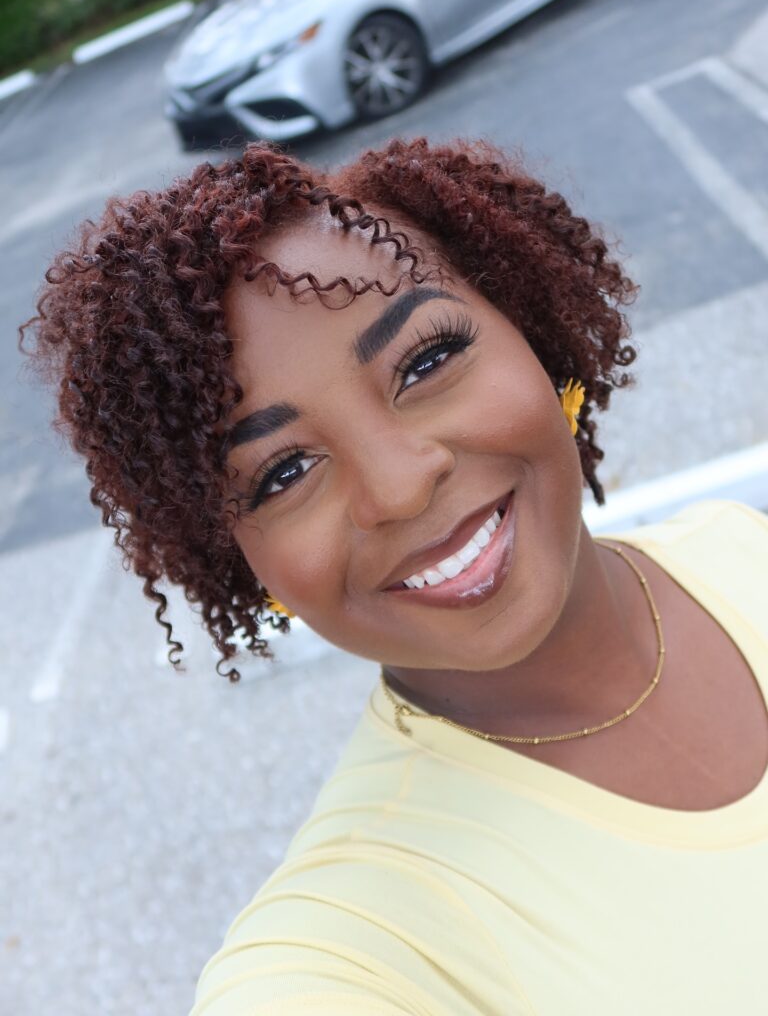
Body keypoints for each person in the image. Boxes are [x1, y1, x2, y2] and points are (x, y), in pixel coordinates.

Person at [23, 138, 768, 1015]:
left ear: (530, 329)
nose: (400, 485)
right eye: (283, 473)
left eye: (424, 362)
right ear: (242, 564)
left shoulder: (742, 542)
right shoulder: (352, 955)